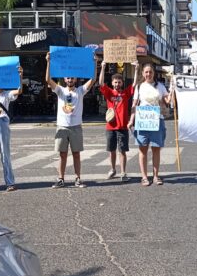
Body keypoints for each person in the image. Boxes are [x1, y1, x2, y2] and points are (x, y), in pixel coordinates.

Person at [46, 52, 98, 189]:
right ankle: (61, 179)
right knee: (62, 155)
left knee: (76, 154)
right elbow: (48, 80)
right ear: (65, 79)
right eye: (68, 77)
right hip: (62, 127)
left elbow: (93, 79)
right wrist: (48, 62)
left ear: (76, 79)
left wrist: (95, 63)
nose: (70, 80)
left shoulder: (80, 91)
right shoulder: (60, 90)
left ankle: (78, 178)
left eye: (72, 78)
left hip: (76, 127)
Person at [127, 63, 173, 187]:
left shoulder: (161, 86)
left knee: (156, 149)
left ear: (154, 73)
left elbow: (168, 101)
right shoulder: (139, 87)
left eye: (150, 72)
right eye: (146, 72)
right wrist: (131, 120)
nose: (148, 74)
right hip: (142, 121)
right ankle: (144, 177)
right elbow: (134, 105)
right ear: (143, 73)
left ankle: (156, 176)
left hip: (157, 120)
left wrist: (172, 89)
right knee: (143, 149)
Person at [98, 60, 136, 182]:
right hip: (111, 127)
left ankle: (123, 172)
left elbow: (134, 84)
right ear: (112, 83)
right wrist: (102, 67)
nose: (117, 84)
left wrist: (136, 69)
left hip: (123, 127)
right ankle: (113, 169)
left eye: (119, 82)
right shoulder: (109, 93)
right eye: (115, 82)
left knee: (122, 151)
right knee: (111, 150)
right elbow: (101, 83)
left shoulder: (125, 93)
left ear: (122, 83)